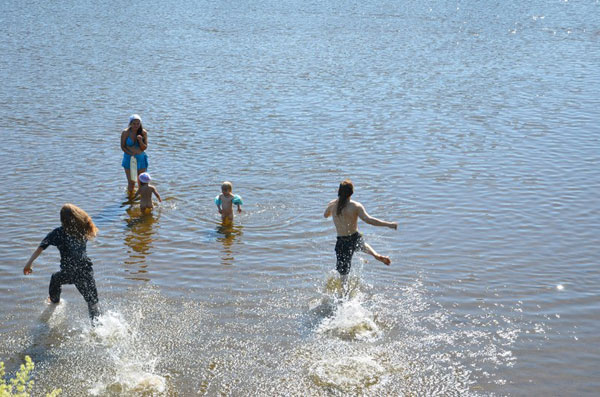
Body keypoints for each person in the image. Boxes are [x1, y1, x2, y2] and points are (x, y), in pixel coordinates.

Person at [23, 204, 101, 323]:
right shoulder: (82, 229)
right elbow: (92, 229)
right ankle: (98, 326)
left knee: (55, 279)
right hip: (86, 270)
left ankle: (54, 302)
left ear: (62, 219)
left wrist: (28, 264)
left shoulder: (58, 233)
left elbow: (41, 247)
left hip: (69, 272)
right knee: (92, 302)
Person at [324, 179, 397, 284]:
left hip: (342, 242)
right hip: (354, 237)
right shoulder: (355, 206)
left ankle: (342, 297)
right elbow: (370, 220)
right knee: (362, 245)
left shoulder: (332, 204)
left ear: (339, 192)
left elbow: (325, 215)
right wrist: (389, 224)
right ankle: (376, 255)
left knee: (343, 276)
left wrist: (332, 211)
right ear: (352, 192)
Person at [121, 114, 148, 194]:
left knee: (142, 182)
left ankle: (141, 200)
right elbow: (123, 147)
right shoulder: (125, 132)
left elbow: (144, 148)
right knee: (131, 183)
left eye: (138, 123)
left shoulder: (143, 132)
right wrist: (131, 154)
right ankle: (130, 202)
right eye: (134, 124)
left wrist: (140, 141)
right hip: (129, 159)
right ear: (130, 123)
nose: (136, 126)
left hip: (141, 159)